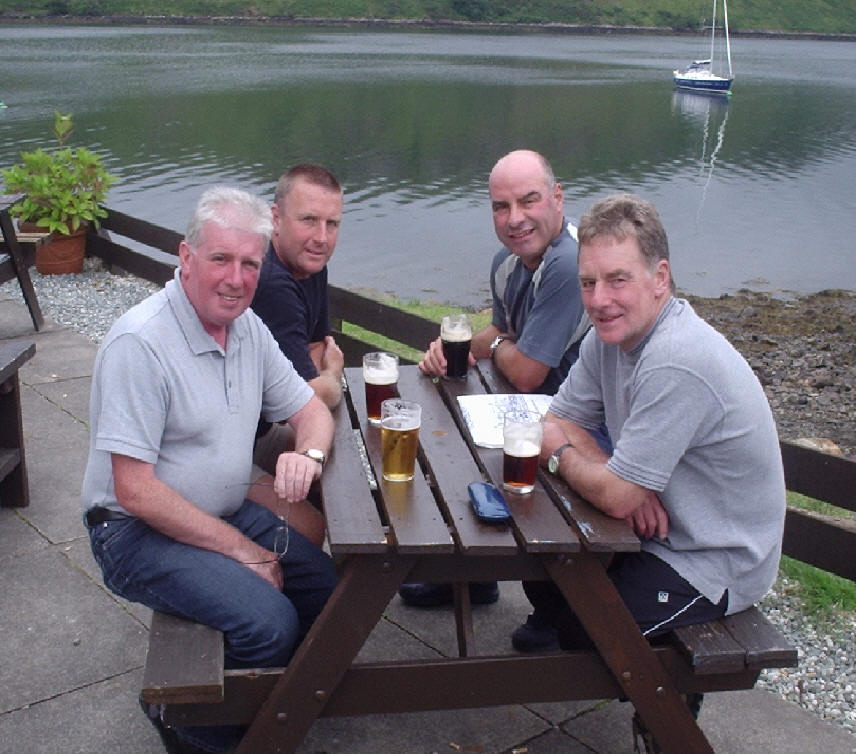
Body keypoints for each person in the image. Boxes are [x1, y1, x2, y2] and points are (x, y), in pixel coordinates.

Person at [81, 186, 338, 754]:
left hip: (217, 510)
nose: (236, 278)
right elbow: (135, 491)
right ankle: (194, 728)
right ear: (186, 257)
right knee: (267, 622)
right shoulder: (140, 343)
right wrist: (243, 552)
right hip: (131, 532)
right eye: (221, 259)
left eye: (250, 264)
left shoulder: (246, 329)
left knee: (328, 593)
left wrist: (310, 454)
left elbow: (311, 409)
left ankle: (267, 710)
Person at [539, 194, 785, 724]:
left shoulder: (677, 357)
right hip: (658, 536)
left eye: (617, 279)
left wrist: (567, 459)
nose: (600, 299)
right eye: (588, 282)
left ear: (660, 277)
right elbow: (558, 417)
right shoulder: (611, 336)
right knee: (545, 581)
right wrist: (617, 474)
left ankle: (672, 709)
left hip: (714, 559)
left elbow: (562, 444)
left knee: (583, 630)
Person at [400, 149, 597, 621]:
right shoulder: (509, 263)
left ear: (557, 198)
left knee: (472, 458)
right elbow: (499, 333)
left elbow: (527, 369)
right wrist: (458, 345)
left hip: (580, 429)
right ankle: (472, 576)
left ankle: (557, 612)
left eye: (528, 202)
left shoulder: (569, 264)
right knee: (453, 445)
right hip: (534, 414)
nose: (515, 219)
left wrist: (504, 346)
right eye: (500, 207)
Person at [249, 163, 345, 546]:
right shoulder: (272, 280)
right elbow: (313, 389)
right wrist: (333, 374)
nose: (321, 237)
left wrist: (321, 370)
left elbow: (318, 347)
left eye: (332, 223)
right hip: (246, 441)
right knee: (342, 472)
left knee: (346, 463)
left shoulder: (310, 262)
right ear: (276, 218)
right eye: (308, 220)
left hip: (270, 420)